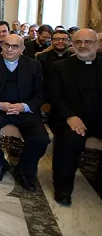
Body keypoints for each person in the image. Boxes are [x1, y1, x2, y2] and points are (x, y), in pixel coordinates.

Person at [0, 34, 49, 191]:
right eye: (6, 45)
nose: (9, 49)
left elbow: (41, 94)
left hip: (24, 111)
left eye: (14, 46)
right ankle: (0, 164)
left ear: (22, 49)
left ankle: (24, 170)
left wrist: (24, 106)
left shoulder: (34, 65)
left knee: (41, 138)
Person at [49, 29, 101, 206]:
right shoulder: (60, 67)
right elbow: (55, 96)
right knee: (70, 141)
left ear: (97, 44)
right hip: (69, 118)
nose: (83, 45)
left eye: (88, 42)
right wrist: (70, 116)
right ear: (72, 44)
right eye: (78, 42)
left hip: (99, 118)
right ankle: (63, 188)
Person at [37, 29, 71, 101]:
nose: (60, 41)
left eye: (64, 39)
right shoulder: (42, 57)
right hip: (49, 97)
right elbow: (41, 82)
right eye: (57, 39)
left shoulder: (73, 57)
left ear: (69, 41)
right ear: (51, 41)